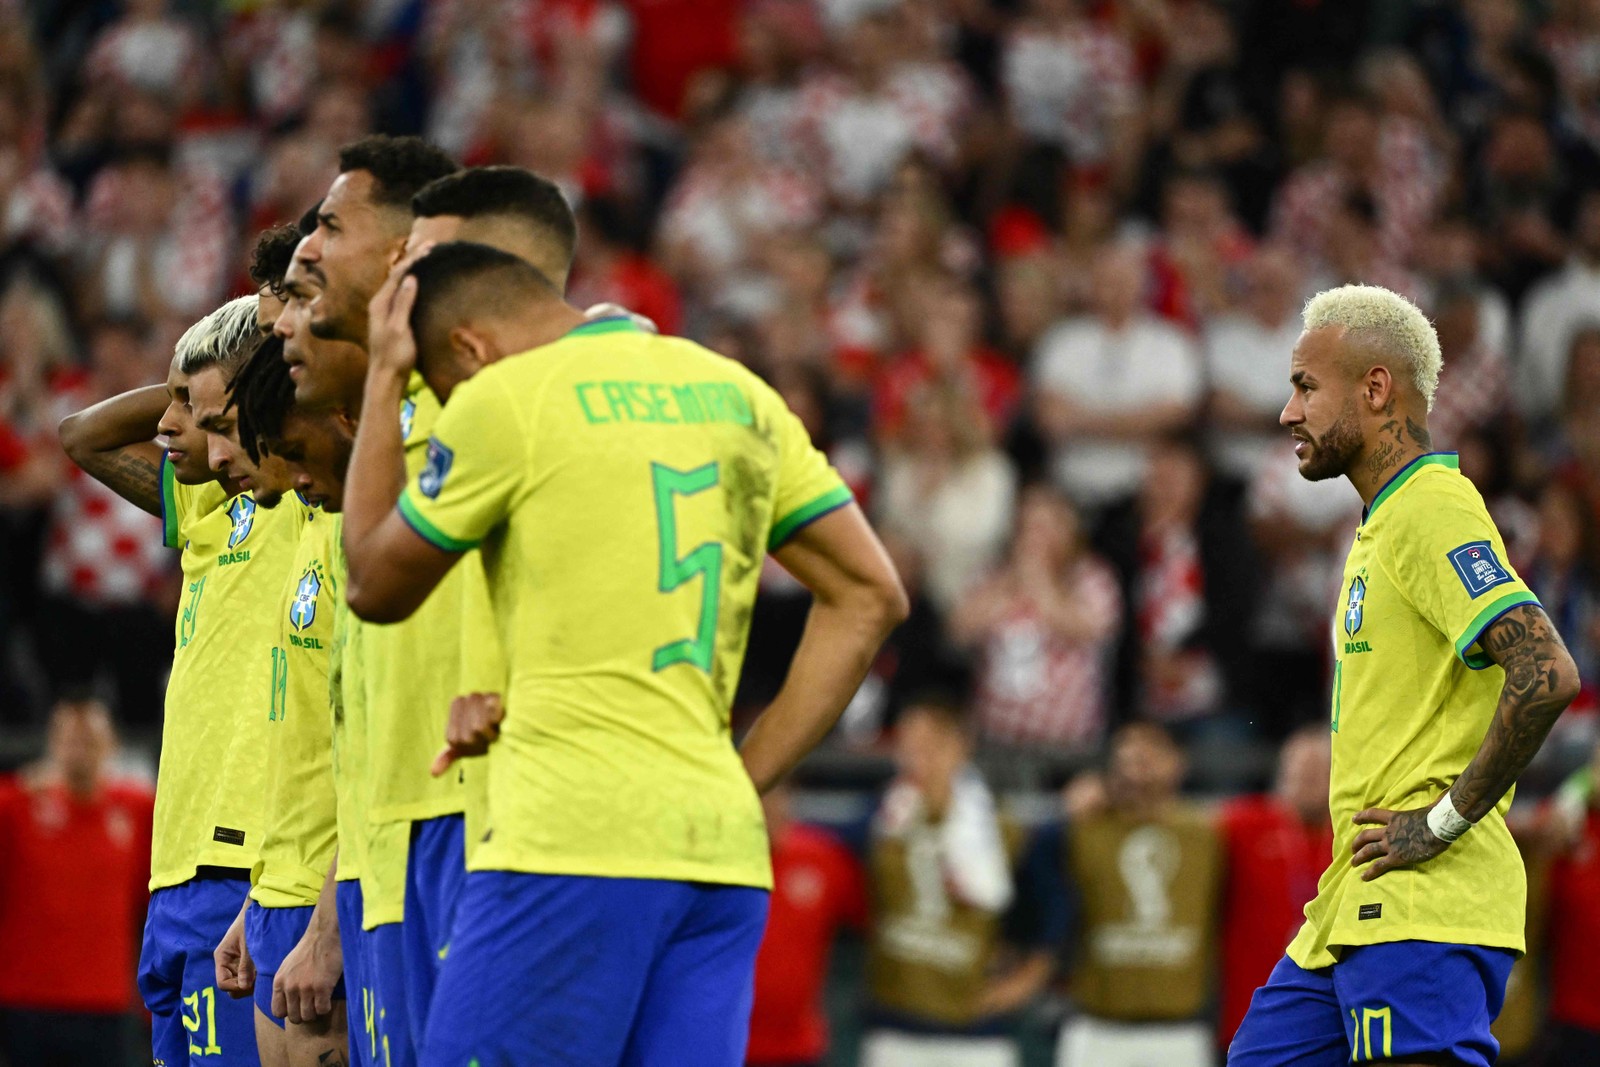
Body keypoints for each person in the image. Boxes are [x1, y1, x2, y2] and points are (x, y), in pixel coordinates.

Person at [340, 241, 907, 1065]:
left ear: (470, 346)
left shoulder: (508, 398)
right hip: (718, 855)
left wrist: (384, 375)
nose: (445, 402)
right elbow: (871, 595)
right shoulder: (741, 395)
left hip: (568, 843)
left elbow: (373, 585)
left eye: (438, 381)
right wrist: (743, 780)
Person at [1229, 284, 1583, 1066]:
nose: (1289, 412)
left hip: (1422, 909)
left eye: (1306, 386)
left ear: (1376, 388)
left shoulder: (1431, 507)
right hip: (1350, 908)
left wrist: (1442, 821)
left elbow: (1546, 670)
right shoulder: (1381, 521)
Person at [58, 294, 309, 1067]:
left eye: (191, 410)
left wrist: (248, 371)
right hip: (179, 863)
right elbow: (82, 434)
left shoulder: (305, 493)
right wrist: (191, 383)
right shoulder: (208, 498)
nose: (169, 427)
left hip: (247, 858)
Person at [210, 336, 353, 1067]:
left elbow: (378, 748)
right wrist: (258, 893)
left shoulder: (363, 538)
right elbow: (305, 736)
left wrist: (326, 925)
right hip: (282, 891)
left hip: (337, 899)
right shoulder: (308, 522)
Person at [858, 696, 1029, 1067]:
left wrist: (1029, 978)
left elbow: (1049, 911)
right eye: (907, 746)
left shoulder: (1001, 828)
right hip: (894, 1030)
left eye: (930, 746)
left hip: (978, 1037)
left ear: (961, 747)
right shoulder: (880, 819)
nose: (917, 758)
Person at [0, 695, 153, 1067]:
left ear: (112, 745)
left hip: (106, 1003)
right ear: (52, 744)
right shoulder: (15, 808)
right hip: (25, 1002)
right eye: (69, 739)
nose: (79, 750)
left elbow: (150, 903)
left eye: (89, 740)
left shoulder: (138, 810)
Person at [1057, 722, 1222, 1067]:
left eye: (1150, 756)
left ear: (1178, 762)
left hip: (1179, 1032)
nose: (1138, 767)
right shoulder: (1084, 829)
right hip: (1095, 1028)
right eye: (1129, 757)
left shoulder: (1208, 836)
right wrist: (1065, 816)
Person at [1216, 728, 1332, 1050]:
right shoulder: (1241, 824)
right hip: (1250, 1013)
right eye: (1299, 770)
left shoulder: (1351, 834)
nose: (1308, 780)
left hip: (1330, 1017)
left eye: (1319, 771)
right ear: (1281, 774)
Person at [746, 783, 867, 1067]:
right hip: (730, 1043)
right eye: (759, 802)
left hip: (799, 1046)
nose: (767, 811)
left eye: (776, 798)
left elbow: (870, 920)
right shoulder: (715, 863)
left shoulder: (822, 857)